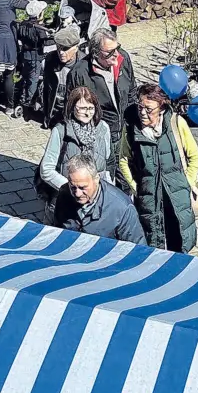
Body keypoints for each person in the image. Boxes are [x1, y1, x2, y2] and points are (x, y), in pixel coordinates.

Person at [118, 84, 198, 252]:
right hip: (149, 197)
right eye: (140, 107)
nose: (142, 113)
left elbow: (195, 156)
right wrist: (135, 187)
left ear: (161, 108)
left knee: (180, 240)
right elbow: (123, 160)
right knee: (153, 243)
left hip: (176, 195)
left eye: (148, 109)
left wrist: (187, 182)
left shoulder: (176, 123)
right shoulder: (131, 130)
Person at [39, 83, 114, 211]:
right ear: (72, 107)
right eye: (82, 108)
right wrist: (73, 188)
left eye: (91, 108)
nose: (87, 113)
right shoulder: (61, 130)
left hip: (95, 199)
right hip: (66, 198)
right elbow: (46, 169)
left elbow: (108, 162)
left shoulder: (103, 128)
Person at [65, 26, 138, 155]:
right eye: (110, 52)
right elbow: (70, 110)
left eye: (117, 48)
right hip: (100, 137)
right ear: (96, 53)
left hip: (126, 133)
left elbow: (132, 91)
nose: (116, 54)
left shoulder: (123, 59)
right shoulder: (80, 73)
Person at [53, 152, 146, 243]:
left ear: (96, 179)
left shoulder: (122, 208)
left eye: (83, 187)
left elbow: (137, 250)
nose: (77, 193)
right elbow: (58, 232)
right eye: (73, 187)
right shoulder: (64, 194)